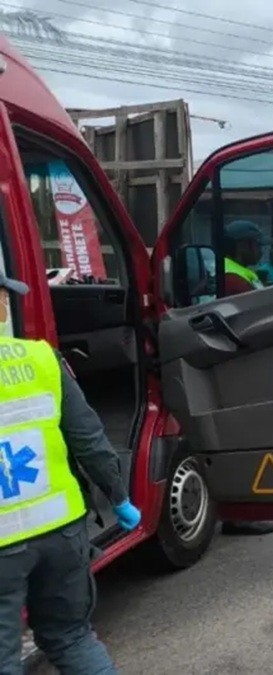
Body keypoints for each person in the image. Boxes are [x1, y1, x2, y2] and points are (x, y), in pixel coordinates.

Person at [0, 272, 138, 673]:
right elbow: (89, 438)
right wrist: (120, 498)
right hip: (61, 530)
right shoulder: (41, 358)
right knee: (72, 637)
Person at [218, 221, 273, 537]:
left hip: (246, 369)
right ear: (242, 245)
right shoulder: (233, 278)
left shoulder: (238, 272)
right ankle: (239, 514)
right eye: (257, 245)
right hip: (242, 372)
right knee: (245, 442)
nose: (261, 251)